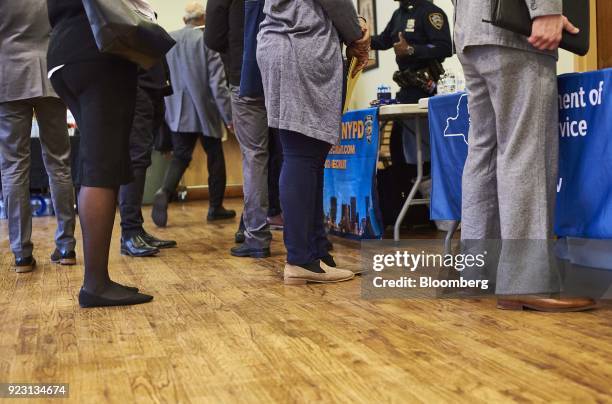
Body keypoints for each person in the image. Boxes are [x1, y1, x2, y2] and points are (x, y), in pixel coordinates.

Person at [454, 0, 596, 312]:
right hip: (512, 30)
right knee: (526, 150)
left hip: (471, 29)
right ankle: (526, 281)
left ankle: (477, 272)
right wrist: (544, 8)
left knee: (484, 151)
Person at [48, 0, 154, 307]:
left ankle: (99, 280)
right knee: (101, 166)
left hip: (64, 54)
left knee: (101, 160)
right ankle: (95, 283)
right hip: (97, 48)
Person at [257, 0, 371, 284]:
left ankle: (317, 254)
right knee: (302, 154)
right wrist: (357, 33)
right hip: (300, 44)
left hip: (288, 43)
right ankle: (300, 259)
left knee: (311, 156)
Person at [0, 0, 77, 273]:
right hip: (51, 73)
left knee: (13, 166)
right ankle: (67, 245)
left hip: (8, 76)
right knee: (59, 162)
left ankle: (21, 253)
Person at [151, 2, 235, 228]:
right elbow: (217, 84)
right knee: (215, 157)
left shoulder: (168, 39)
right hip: (205, 109)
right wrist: (229, 117)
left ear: (184, 20)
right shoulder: (207, 41)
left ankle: (164, 191)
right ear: (204, 18)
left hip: (177, 110)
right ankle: (215, 208)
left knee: (181, 155)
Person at [205, 0, 273, 258]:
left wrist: (238, 45)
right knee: (296, 153)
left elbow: (212, 37)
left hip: (245, 73)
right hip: (283, 70)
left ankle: (256, 236)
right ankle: (308, 234)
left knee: (255, 156)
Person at [118, 7, 177, 258]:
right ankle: (130, 232)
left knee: (143, 156)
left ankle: (137, 229)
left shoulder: (143, 7)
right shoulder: (120, 6)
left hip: (154, 86)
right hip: (136, 85)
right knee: (136, 158)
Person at [371, 0, 452, 167]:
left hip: (425, 91)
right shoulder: (398, 14)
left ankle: (425, 189)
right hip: (406, 90)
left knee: (421, 153)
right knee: (397, 148)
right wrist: (356, 36)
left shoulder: (430, 12)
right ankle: (405, 191)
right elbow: (383, 40)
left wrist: (411, 50)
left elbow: (445, 48)